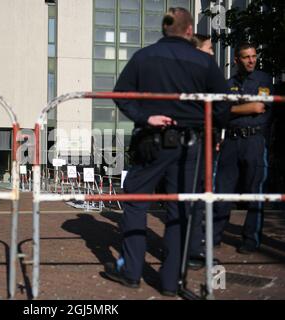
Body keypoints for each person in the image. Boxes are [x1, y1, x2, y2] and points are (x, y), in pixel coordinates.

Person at [103, 7, 230, 296]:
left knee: (136, 200)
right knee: (180, 208)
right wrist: (211, 130)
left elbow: (120, 93)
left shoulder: (143, 57)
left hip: (152, 140)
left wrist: (146, 117)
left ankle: (131, 271)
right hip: (191, 145)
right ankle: (171, 282)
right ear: (189, 31)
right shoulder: (203, 61)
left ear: (164, 29)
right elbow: (223, 105)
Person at [213, 42, 273, 254]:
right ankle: (214, 236)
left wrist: (232, 109)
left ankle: (250, 239)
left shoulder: (264, 80)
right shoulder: (227, 84)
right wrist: (241, 108)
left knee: (255, 193)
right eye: (246, 57)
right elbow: (219, 114)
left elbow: (260, 106)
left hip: (254, 142)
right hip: (231, 142)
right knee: (222, 190)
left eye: (254, 56)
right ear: (237, 60)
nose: (251, 60)